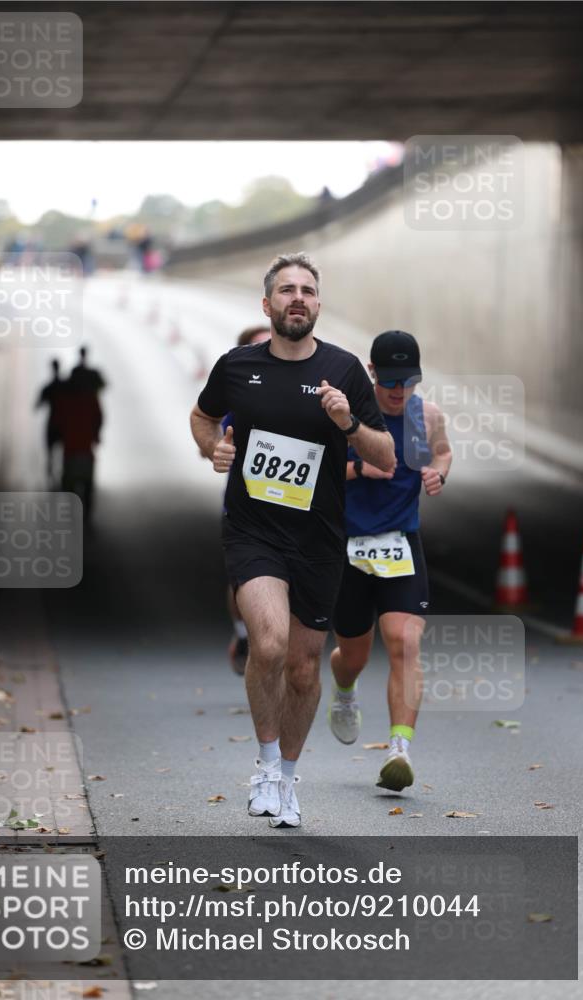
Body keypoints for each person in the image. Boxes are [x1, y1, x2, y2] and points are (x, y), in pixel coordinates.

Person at [190, 252, 396, 828]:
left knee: (306, 669)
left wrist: (348, 424)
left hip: (320, 538)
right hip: (253, 530)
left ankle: (286, 777)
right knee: (272, 644)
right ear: (267, 305)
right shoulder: (236, 367)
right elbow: (203, 419)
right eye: (286, 290)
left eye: (307, 289)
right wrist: (214, 450)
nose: (297, 298)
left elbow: (385, 457)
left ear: (317, 305)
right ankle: (261, 766)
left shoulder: (345, 371)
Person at [327, 330, 452, 793]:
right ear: (372, 373)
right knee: (353, 655)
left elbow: (442, 451)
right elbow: (317, 473)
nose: (400, 392)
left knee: (404, 642)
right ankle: (343, 691)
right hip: (349, 547)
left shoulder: (426, 415)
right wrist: (360, 467)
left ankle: (400, 749)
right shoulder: (348, 417)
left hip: (401, 543)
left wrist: (439, 472)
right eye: (390, 382)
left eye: (409, 381)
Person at [223, 325, 272, 676]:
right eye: (261, 347)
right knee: (244, 578)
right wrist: (216, 449)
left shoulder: (310, 386)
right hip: (246, 507)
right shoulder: (239, 395)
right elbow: (212, 431)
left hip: (298, 508)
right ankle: (244, 634)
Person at [55, 368, 104, 522]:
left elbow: (58, 420)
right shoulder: (91, 399)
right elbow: (99, 418)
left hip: (71, 449)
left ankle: (73, 512)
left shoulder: (65, 399)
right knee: (87, 483)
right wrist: (96, 435)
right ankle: (86, 513)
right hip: (85, 449)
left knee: (69, 483)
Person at [34, 358, 64, 486]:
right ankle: (61, 476)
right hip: (63, 425)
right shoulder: (65, 387)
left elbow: (37, 405)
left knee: (50, 453)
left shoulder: (49, 387)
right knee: (63, 452)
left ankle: (51, 478)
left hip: (52, 424)